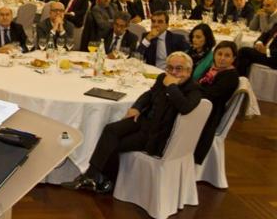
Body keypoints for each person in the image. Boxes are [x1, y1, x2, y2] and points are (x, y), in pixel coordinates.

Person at [65, 52, 201, 193]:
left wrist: (172, 87)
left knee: (115, 144)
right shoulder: (163, 78)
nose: (173, 72)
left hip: (158, 133)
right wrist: (136, 107)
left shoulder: (194, 89)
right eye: (170, 68)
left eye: (178, 69)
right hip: (144, 121)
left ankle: (108, 182)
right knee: (110, 129)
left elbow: (185, 108)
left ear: (189, 71)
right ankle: (91, 176)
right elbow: (148, 94)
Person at [194, 41, 239, 165]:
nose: (222, 58)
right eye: (219, 54)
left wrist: (192, 88)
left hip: (210, 114)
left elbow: (210, 94)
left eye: (227, 55)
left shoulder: (230, 76)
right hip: (203, 105)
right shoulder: (213, 69)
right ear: (214, 55)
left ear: (233, 58)